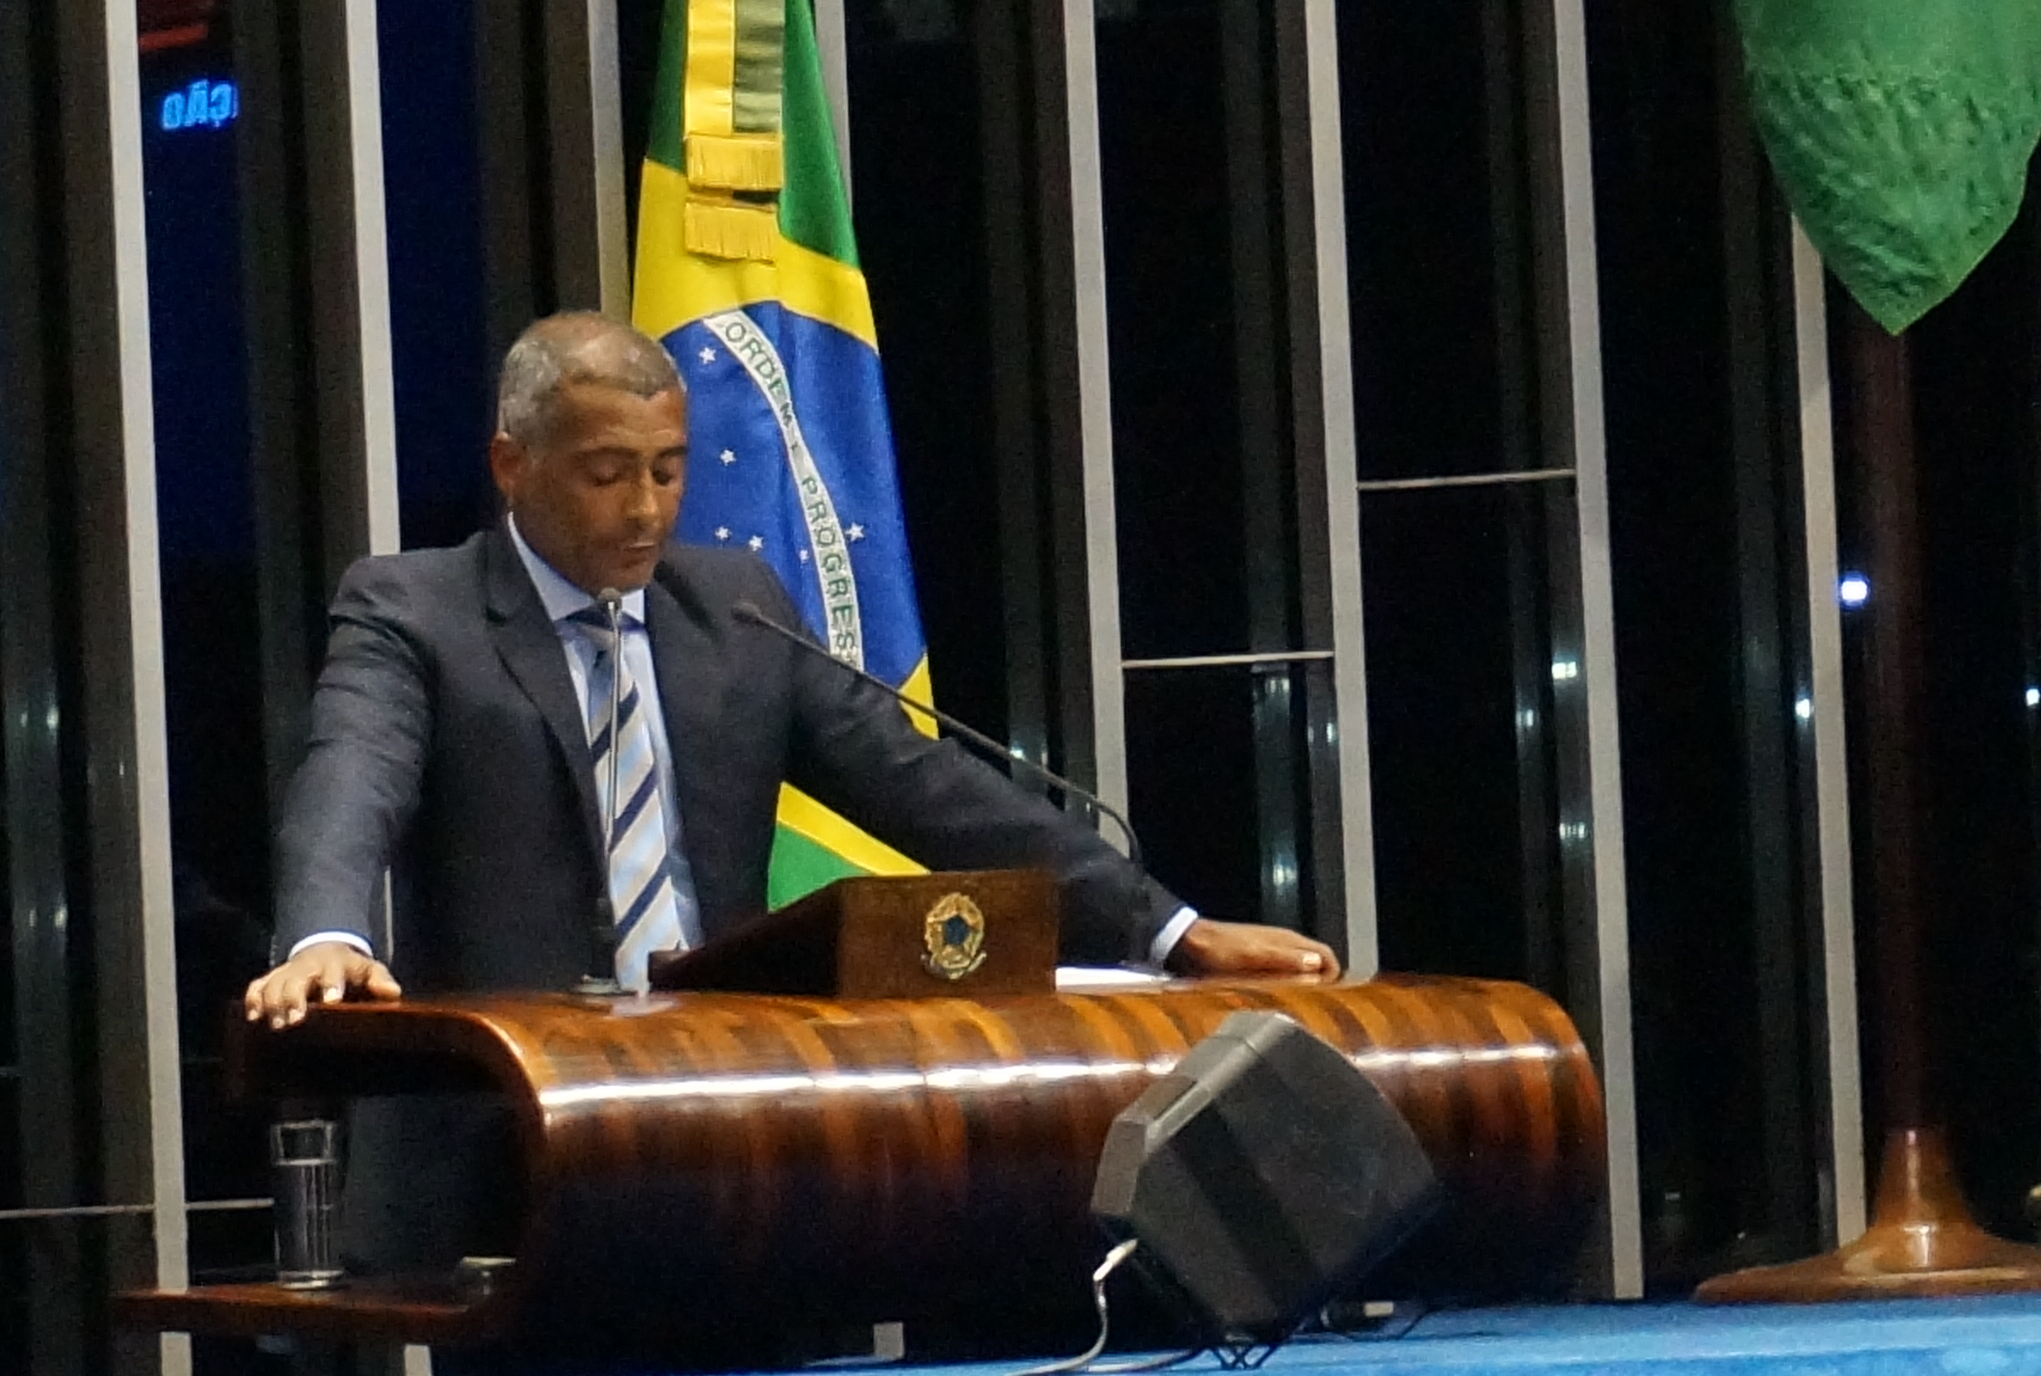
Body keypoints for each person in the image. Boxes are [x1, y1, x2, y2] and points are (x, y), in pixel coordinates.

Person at [248, 311, 1337, 1031]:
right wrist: (325, 935)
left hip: (726, 1097)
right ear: (511, 465)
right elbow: (351, 778)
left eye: (668, 470)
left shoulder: (734, 608)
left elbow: (926, 788)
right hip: (500, 1122)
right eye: (606, 473)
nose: (645, 509)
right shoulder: (415, 608)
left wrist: (1170, 931)